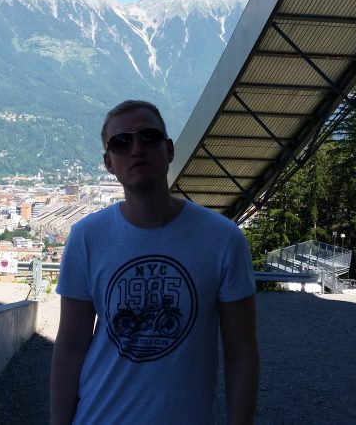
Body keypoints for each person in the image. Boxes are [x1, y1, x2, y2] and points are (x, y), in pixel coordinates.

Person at [50, 100, 259, 425]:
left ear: (168, 149)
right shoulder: (87, 237)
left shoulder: (222, 239)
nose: (136, 148)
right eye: (122, 142)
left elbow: (242, 352)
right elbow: (70, 346)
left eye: (148, 137)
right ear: (109, 162)